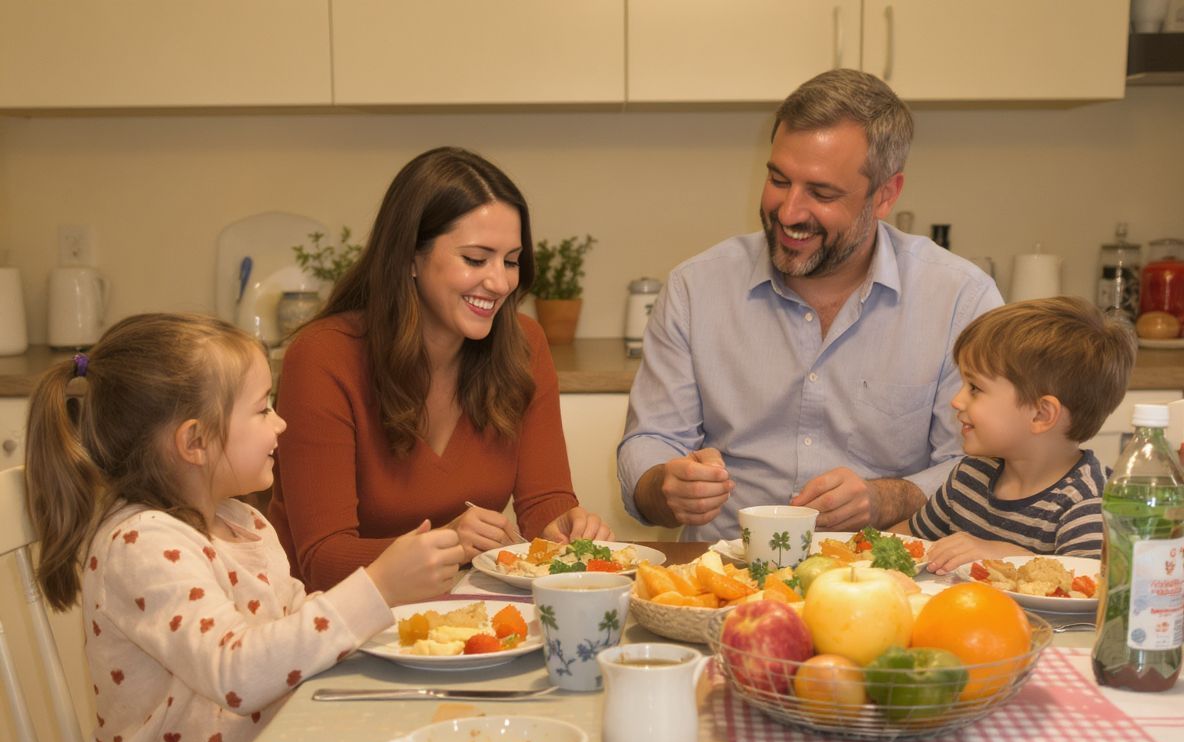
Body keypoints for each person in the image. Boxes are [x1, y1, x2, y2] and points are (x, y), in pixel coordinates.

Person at [25, 313, 465, 742]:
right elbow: (239, 671)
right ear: (195, 441)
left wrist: (405, 609)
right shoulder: (140, 547)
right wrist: (377, 586)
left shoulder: (242, 524)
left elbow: (294, 623)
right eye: (262, 409)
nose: (280, 424)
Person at [617, 69, 1003, 543]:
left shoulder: (960, 300)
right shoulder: (695, 288)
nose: (788, 212)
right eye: (779, 180)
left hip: (885, 583)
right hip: (719, 581)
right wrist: (665, 484)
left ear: (885, 195)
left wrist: (887, 498)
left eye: (821, 193)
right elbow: (650, 441)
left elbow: (981, 468)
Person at [269, 146, 611, 592]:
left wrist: (564, 526)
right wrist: (448, 540)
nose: (500, 282)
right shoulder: (322, 357)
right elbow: (322, 560)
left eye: (510, 261)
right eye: (475, 259)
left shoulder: (525, 345)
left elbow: (544, 500)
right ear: (410, 256)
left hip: (456, 615)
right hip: (327, 626)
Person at [899, 296, 1137, 572]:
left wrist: (1005, 556)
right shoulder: (970, 476)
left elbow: (1087, 594)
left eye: (975, 388)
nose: (957, 400)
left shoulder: (1088, 504)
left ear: (1041, 414)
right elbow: (908, 539)